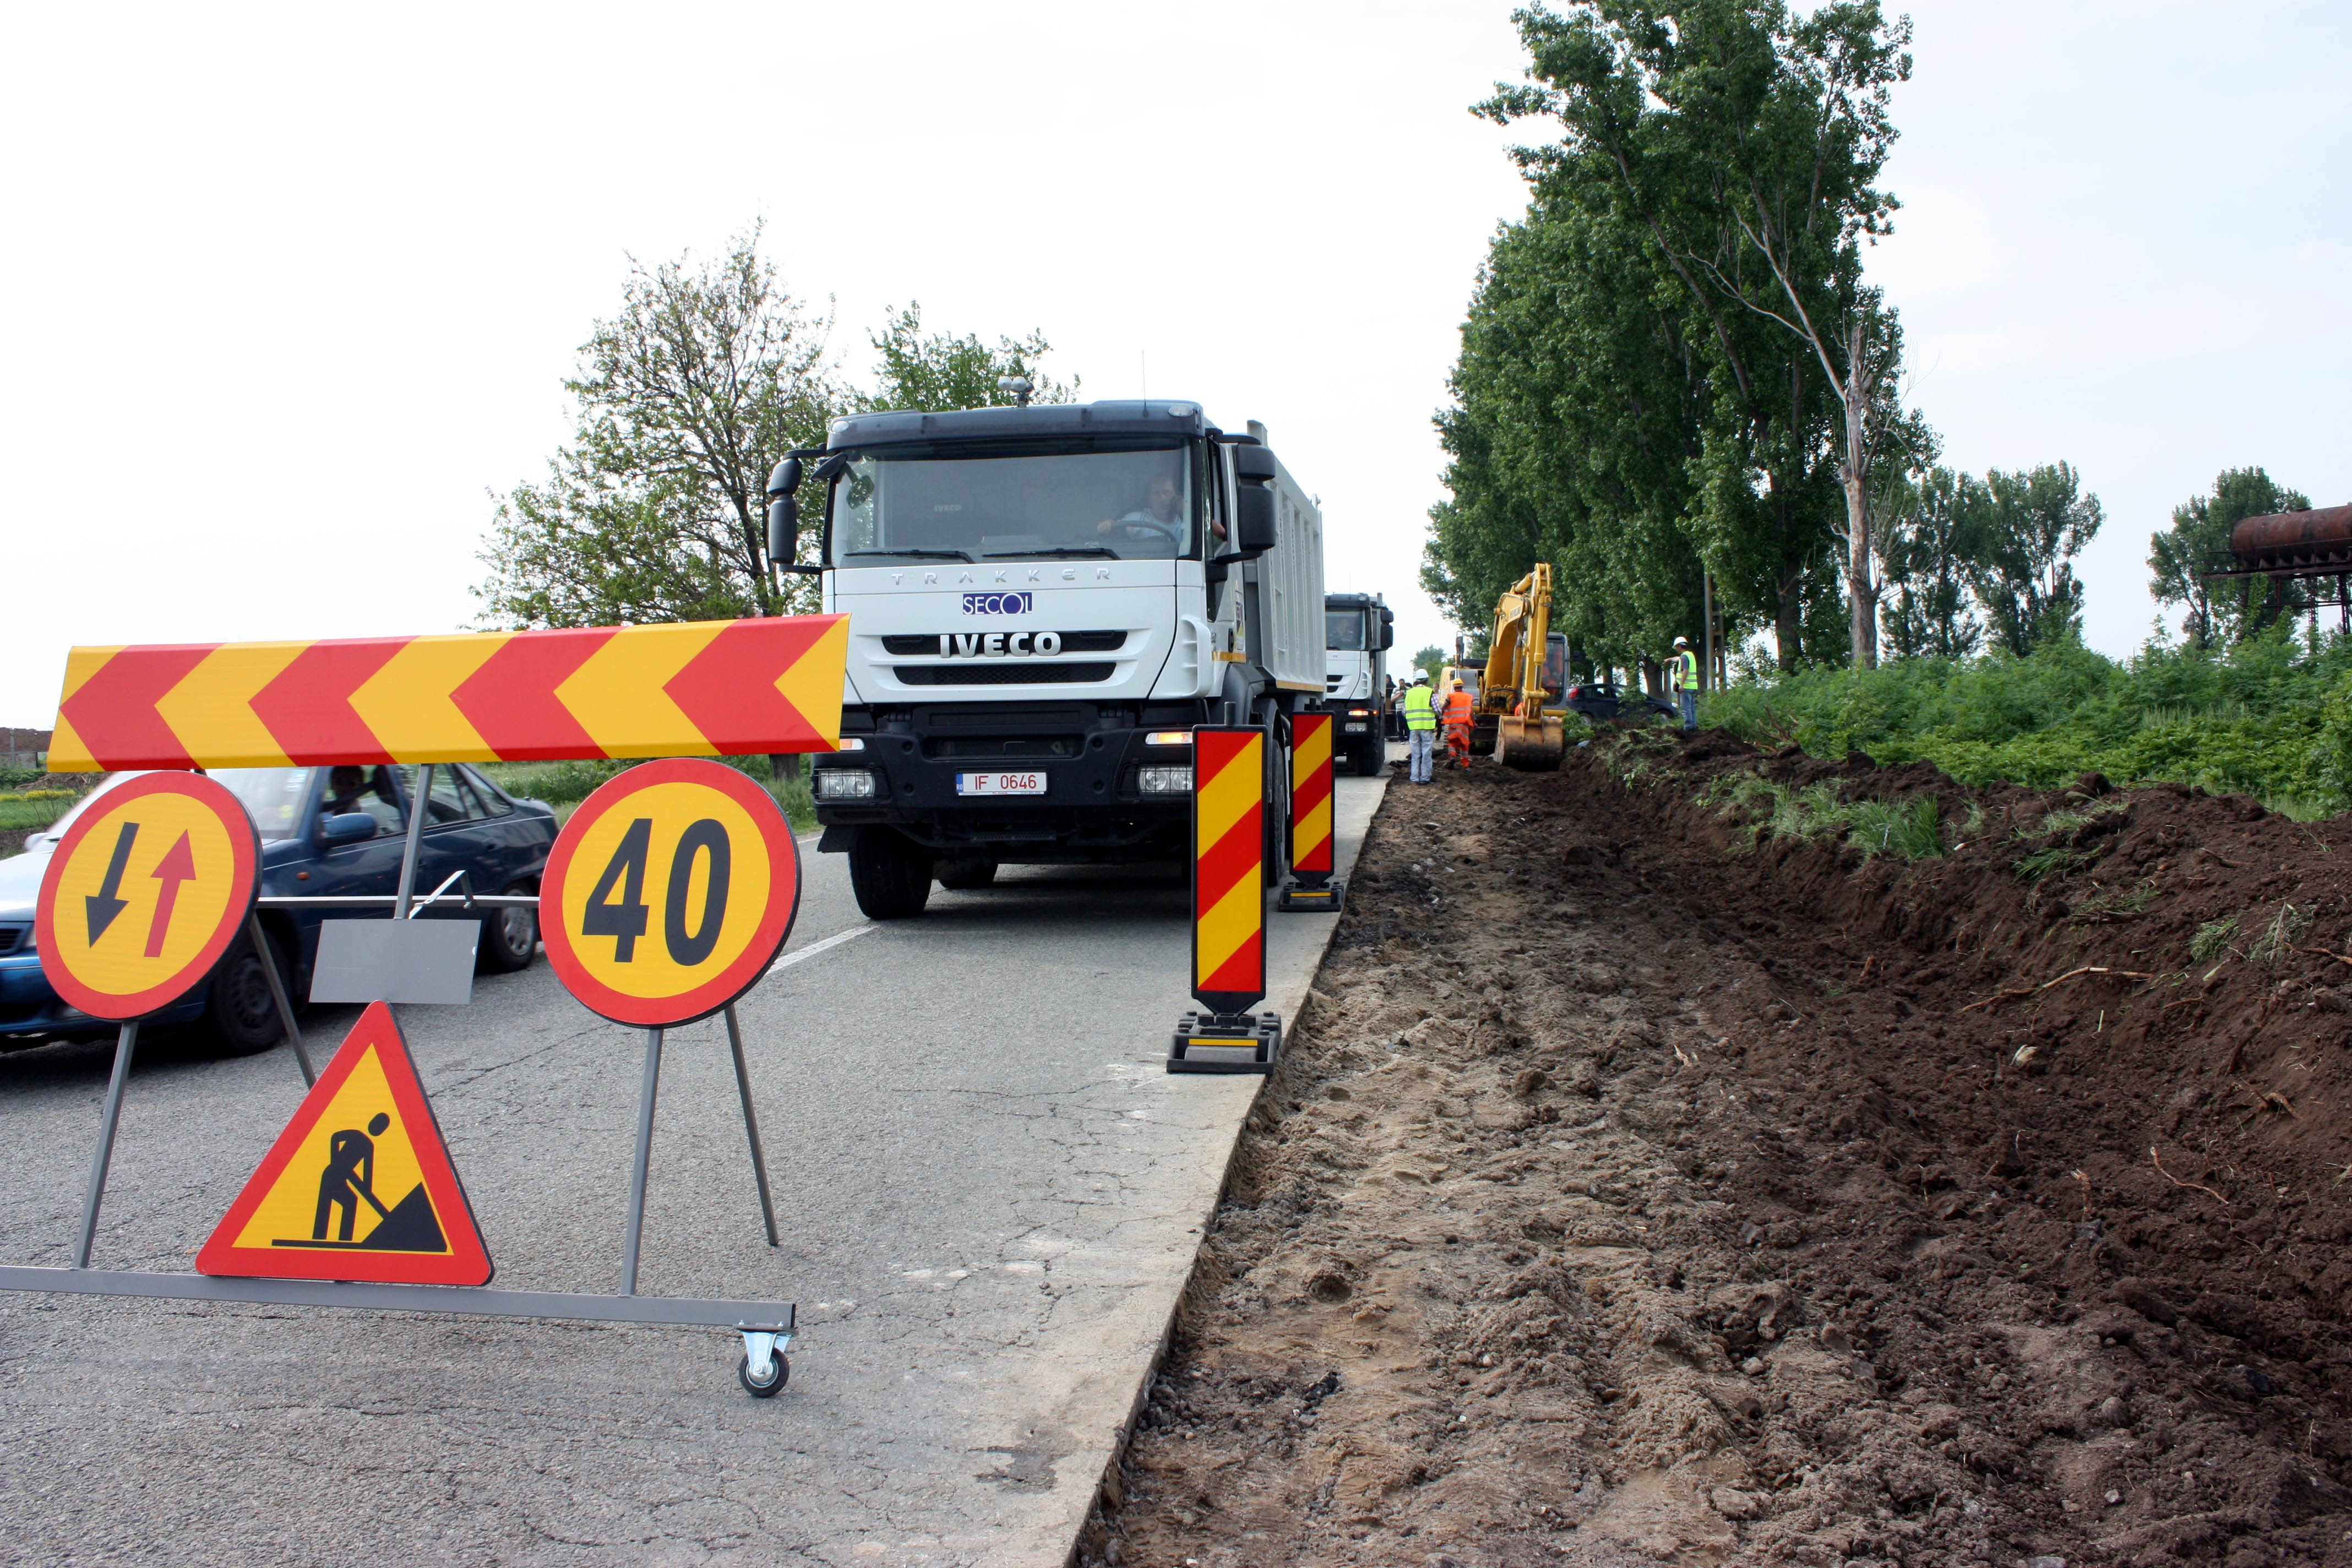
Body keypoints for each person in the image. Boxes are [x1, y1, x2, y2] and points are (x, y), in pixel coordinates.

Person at [1096, 471, 1190, 553]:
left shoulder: (1188, 525)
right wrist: (1108, 526)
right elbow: (1117, 530)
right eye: (1156, 494)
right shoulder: (1137, 519)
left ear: (1176, 495)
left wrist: (1183, 506)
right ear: (1149, 499)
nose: (1162, 498)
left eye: (1166, 492)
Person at [1402, 671, 1437, 783]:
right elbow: (1437, 710)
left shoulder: (1409, 693)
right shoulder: (1430, 692)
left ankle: (1414, 778)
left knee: (1416, 754)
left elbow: (1404, 711)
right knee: (1426, 753)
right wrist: (1438, 721)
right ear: (1426, 680)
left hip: (1413, 727)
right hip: (1427, 727)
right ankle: (1425, 778)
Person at [1442, 679, 1477, 769]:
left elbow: (1444, 707)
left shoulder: (1450, 696)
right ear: (1462, 687)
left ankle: (1452, 756)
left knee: (1452, 742)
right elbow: (1471, 711)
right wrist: (1474, 723)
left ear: (1454, 687)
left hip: (1453, 723)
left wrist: (1440, 716)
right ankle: (1465, 764)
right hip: (1464, 724)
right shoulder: (1468, 697)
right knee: (1464, 744)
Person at [1669, 636, 1700, 732]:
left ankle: (1688, 728)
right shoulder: (1690, 655)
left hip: (1686, 687)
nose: (1676, 649)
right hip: (1693, 686)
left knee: (1685, 709)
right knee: (1692, 708)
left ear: (1679, 646)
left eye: (1676, 647)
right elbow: (1678, 659)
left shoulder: (1684, 657)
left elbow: (1686, 670)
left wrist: (1681, 685)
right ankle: (1694, 727)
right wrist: (1670, 659)